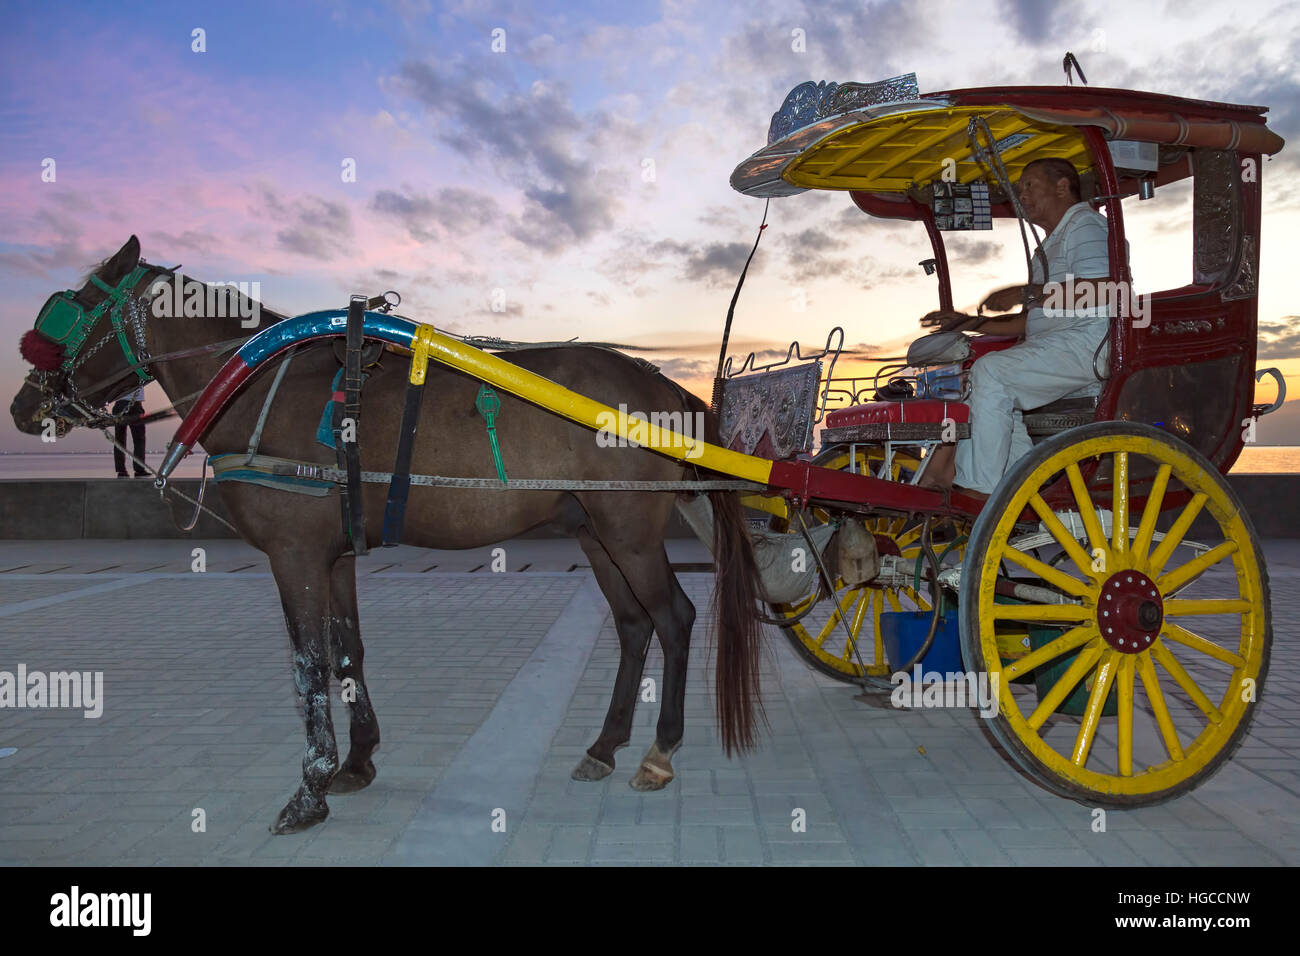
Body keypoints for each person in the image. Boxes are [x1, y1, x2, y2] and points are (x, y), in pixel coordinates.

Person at [919, 157, 1116, 499]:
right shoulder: (1048, 245)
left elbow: (1106, 289)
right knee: (973, 383)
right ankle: (1020, 480)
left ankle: (980, 488)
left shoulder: (1084, 225)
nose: (1021, 195)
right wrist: (968, 322)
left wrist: (1028, 292)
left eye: (1029, 185)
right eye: (1020, 189)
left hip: (1088, 345)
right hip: (1058, 347)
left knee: (992, 371)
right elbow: (1032, 318)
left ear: (1062, 186)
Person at [112, 385, 149, 477]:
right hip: (134, 405)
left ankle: (121, 471)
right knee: (139, 439)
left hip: (120, 404)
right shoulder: (139, 371)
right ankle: (139, 470)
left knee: (120, 440)